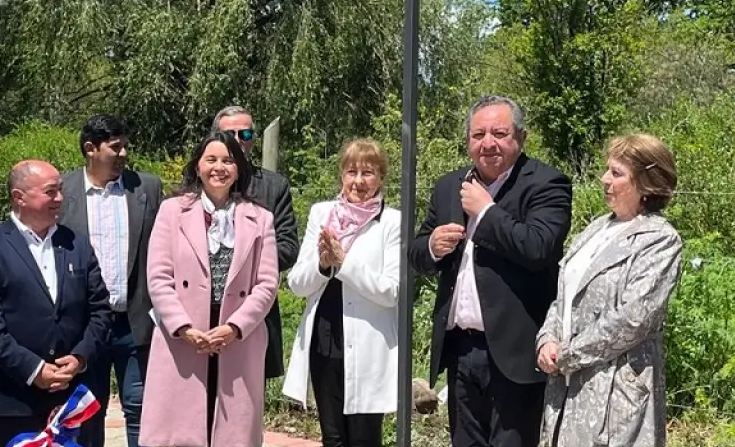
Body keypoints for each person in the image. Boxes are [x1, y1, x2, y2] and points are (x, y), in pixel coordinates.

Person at [409, 95, 573, 447]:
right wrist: (432, 246)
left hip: (515, 354)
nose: (487, 144)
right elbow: (416, 254)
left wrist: (486, 213)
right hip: (460, 350)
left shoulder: (547, 184)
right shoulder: (448, 186)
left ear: (520, 137)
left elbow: (539, 248)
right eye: (477, 134)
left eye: (499, 133)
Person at [536, 134, 682, 447]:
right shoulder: (596, 228)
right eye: (607, 170)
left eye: (616, 173)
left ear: (646, 184)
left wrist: (567, 354)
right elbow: (564, 296)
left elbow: (633, 319)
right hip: (566, 387)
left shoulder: (659, 240)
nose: (604, 179)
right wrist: (546, 338)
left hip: (613, 397)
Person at [0, 160, 113, 447]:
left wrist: (80, 357)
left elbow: (100, 311)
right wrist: (33, 369)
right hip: (15, 400)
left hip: (76, 397)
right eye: (50, 192)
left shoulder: (76, 245)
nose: (59, 199)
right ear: (20, 197)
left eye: (60, 191)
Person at [140, 132, 279, 447]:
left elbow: (267, 283)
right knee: (180, 432)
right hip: (184, 337)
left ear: (239, 168)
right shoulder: (172, 210)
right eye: (211, 159)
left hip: (237, 338)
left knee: (234, 434)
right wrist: (183, 327)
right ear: (197, 166)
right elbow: (159, 277)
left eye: (228, 160)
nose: (220, 167)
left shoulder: (261, 218)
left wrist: (234, 327)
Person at [282, 138, 400, 447]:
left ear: (382, 178)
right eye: (351, 172)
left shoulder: (392, 221)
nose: (359, 181)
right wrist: (322, 264)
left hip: (368, 345)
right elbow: (296, 284)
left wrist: (343, 263)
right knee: (332, 438)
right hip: (324, 340)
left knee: (364, 439)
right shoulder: (322, 214)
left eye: (368, 173)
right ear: (341, 176)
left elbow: (392, 291)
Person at [59, 115, 162, 447]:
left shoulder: (146, 187)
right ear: (91, 149)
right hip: (84, 326)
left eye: (125, 145)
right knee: (87, 408)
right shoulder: (62, 191)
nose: (124, 153)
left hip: (134, 322)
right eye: (115, 147)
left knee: (141, 407)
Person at [212, 106, 297, 381]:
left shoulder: (274, 187)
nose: (238, 139)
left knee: (246, 412)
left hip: (255, 309)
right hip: (204, 312)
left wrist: (242, 263)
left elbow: (287, 248)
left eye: (246, 133)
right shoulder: (196, 184)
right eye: (230, 133)